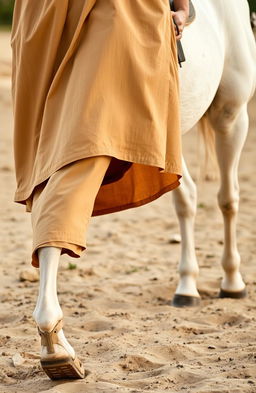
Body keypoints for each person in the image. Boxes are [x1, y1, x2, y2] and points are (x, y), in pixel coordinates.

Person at [11, 0, 189, 380]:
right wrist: (182, 10)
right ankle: (47, 305)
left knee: (52, 148)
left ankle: (49, 297)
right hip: (119, 10)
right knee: (89, 144)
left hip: (36, 14)